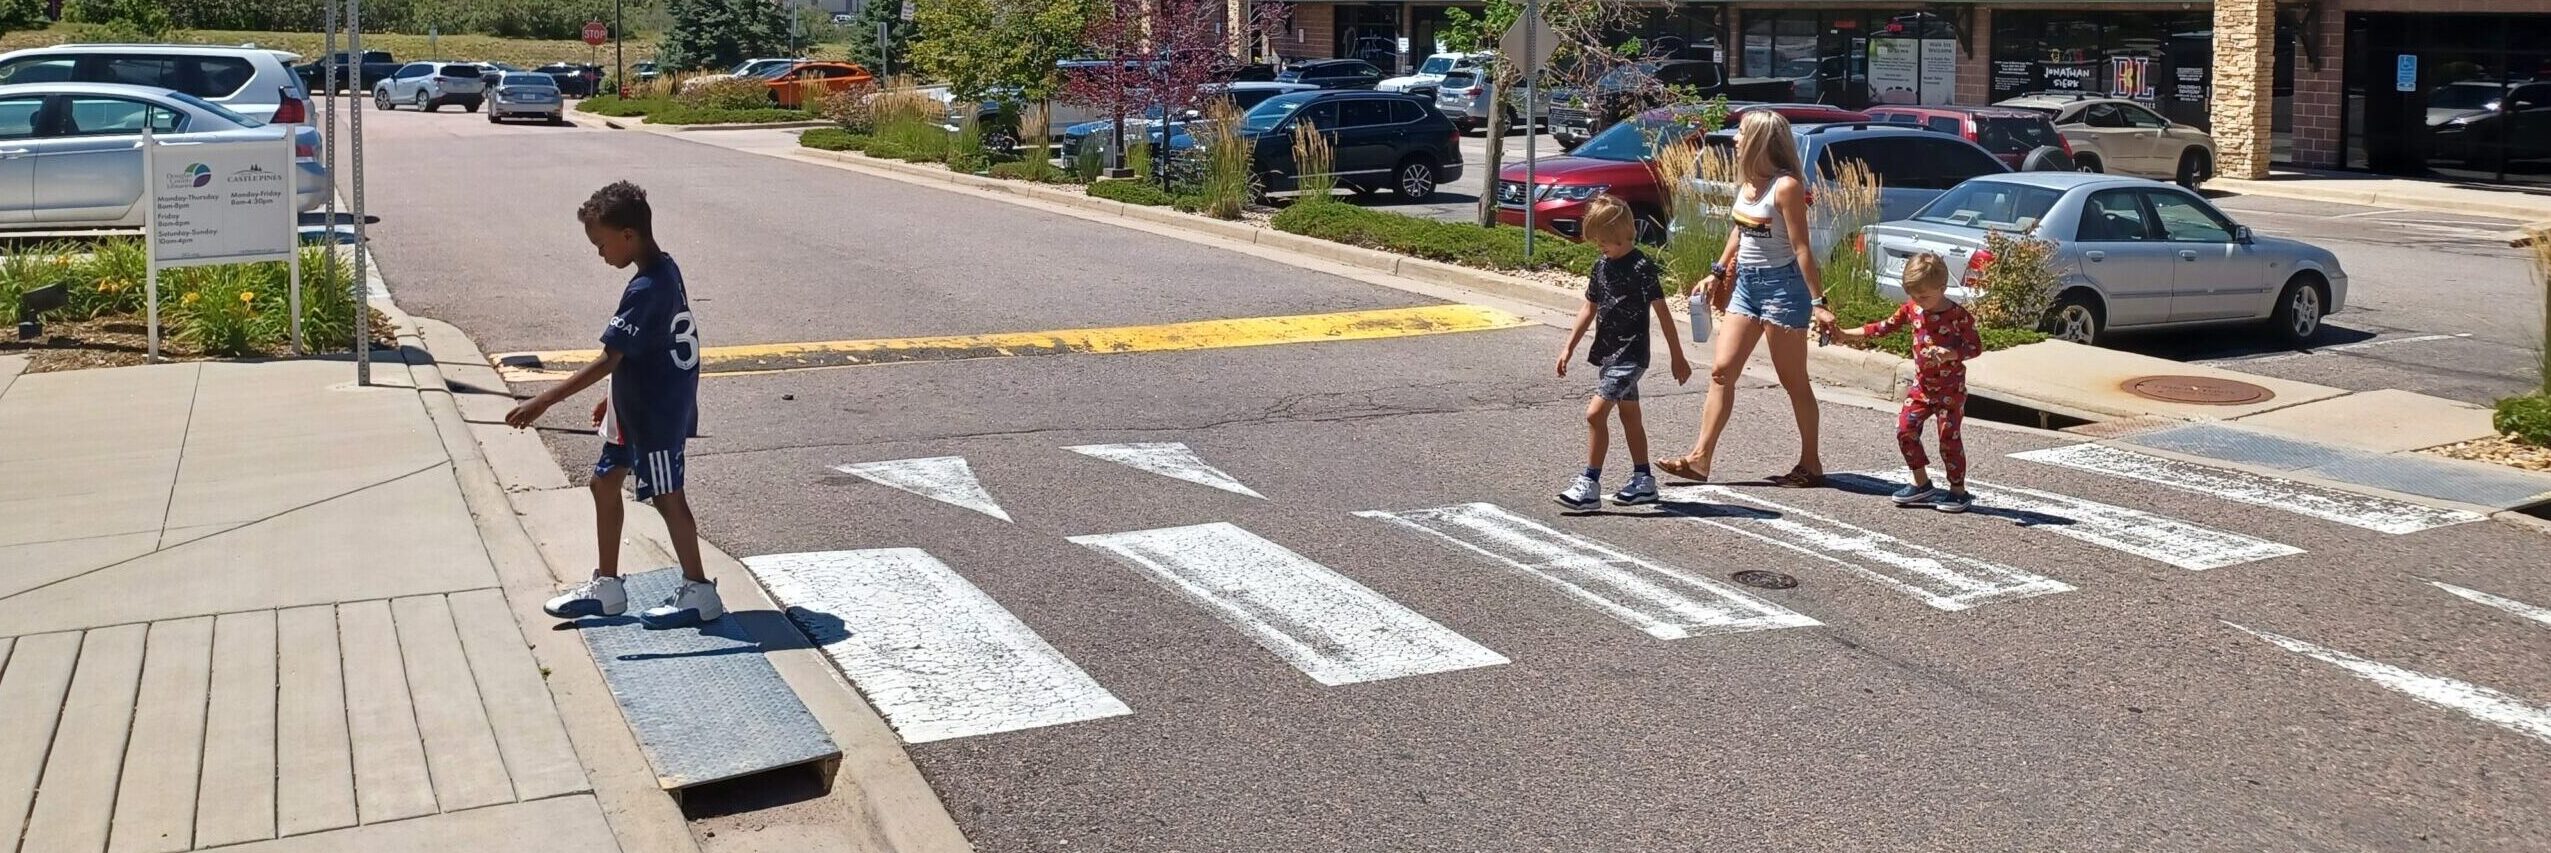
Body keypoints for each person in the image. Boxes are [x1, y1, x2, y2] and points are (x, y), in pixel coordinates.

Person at [506, 181, 723, 628]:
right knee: (604, 484)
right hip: (635, 409)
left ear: (628, 235)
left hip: (657, 415)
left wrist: (544, 401)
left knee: (667, 497)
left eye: (601, 243)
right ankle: (607, 587)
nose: (599, 253)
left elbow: (612, 356)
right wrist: (613, 401)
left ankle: (700, 590)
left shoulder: (647, 288)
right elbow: (641, 348)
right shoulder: (665, 270)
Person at [1656, 110, 1837, 488]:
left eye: (1741, 133)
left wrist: (1818, 301)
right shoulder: (1749, 184)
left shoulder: (1784, 186)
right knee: (1722, 371)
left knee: (1794, 381)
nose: (1736, 140)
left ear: (1759, 140)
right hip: (1746, 287)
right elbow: (1738, 233)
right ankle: (1700, 459)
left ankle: (1811, 463)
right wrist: (1716, 271)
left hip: (1783, 289)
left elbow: (1802, 248)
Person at [1554, 195, 1693, 509]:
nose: (1600, 247)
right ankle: (1643, 480)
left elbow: (1663, 312)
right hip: (1608, 354)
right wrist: (1569, 347)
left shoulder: (1642, 267)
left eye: (1604, 242)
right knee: (1630, 416)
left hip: (1631, 356)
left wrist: (1677, 355)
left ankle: (1589, 483)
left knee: (1595, 414)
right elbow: (1589, 307)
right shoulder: (1601, 265)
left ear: (1620, 235)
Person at [1833, 253, 1982, 512]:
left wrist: (1951, 354)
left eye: (1924, 296)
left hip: (1950, 390)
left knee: (1949, 437)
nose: (1918, 301)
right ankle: (1921, 483)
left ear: (1942, 288)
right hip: (1922, 388)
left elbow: (1975, 347)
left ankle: (1958, 491)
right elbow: (1883, 327)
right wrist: (1846, 334)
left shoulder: (1958, 316)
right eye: (1913, 295)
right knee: (1905, 429)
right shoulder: (1912, 309)